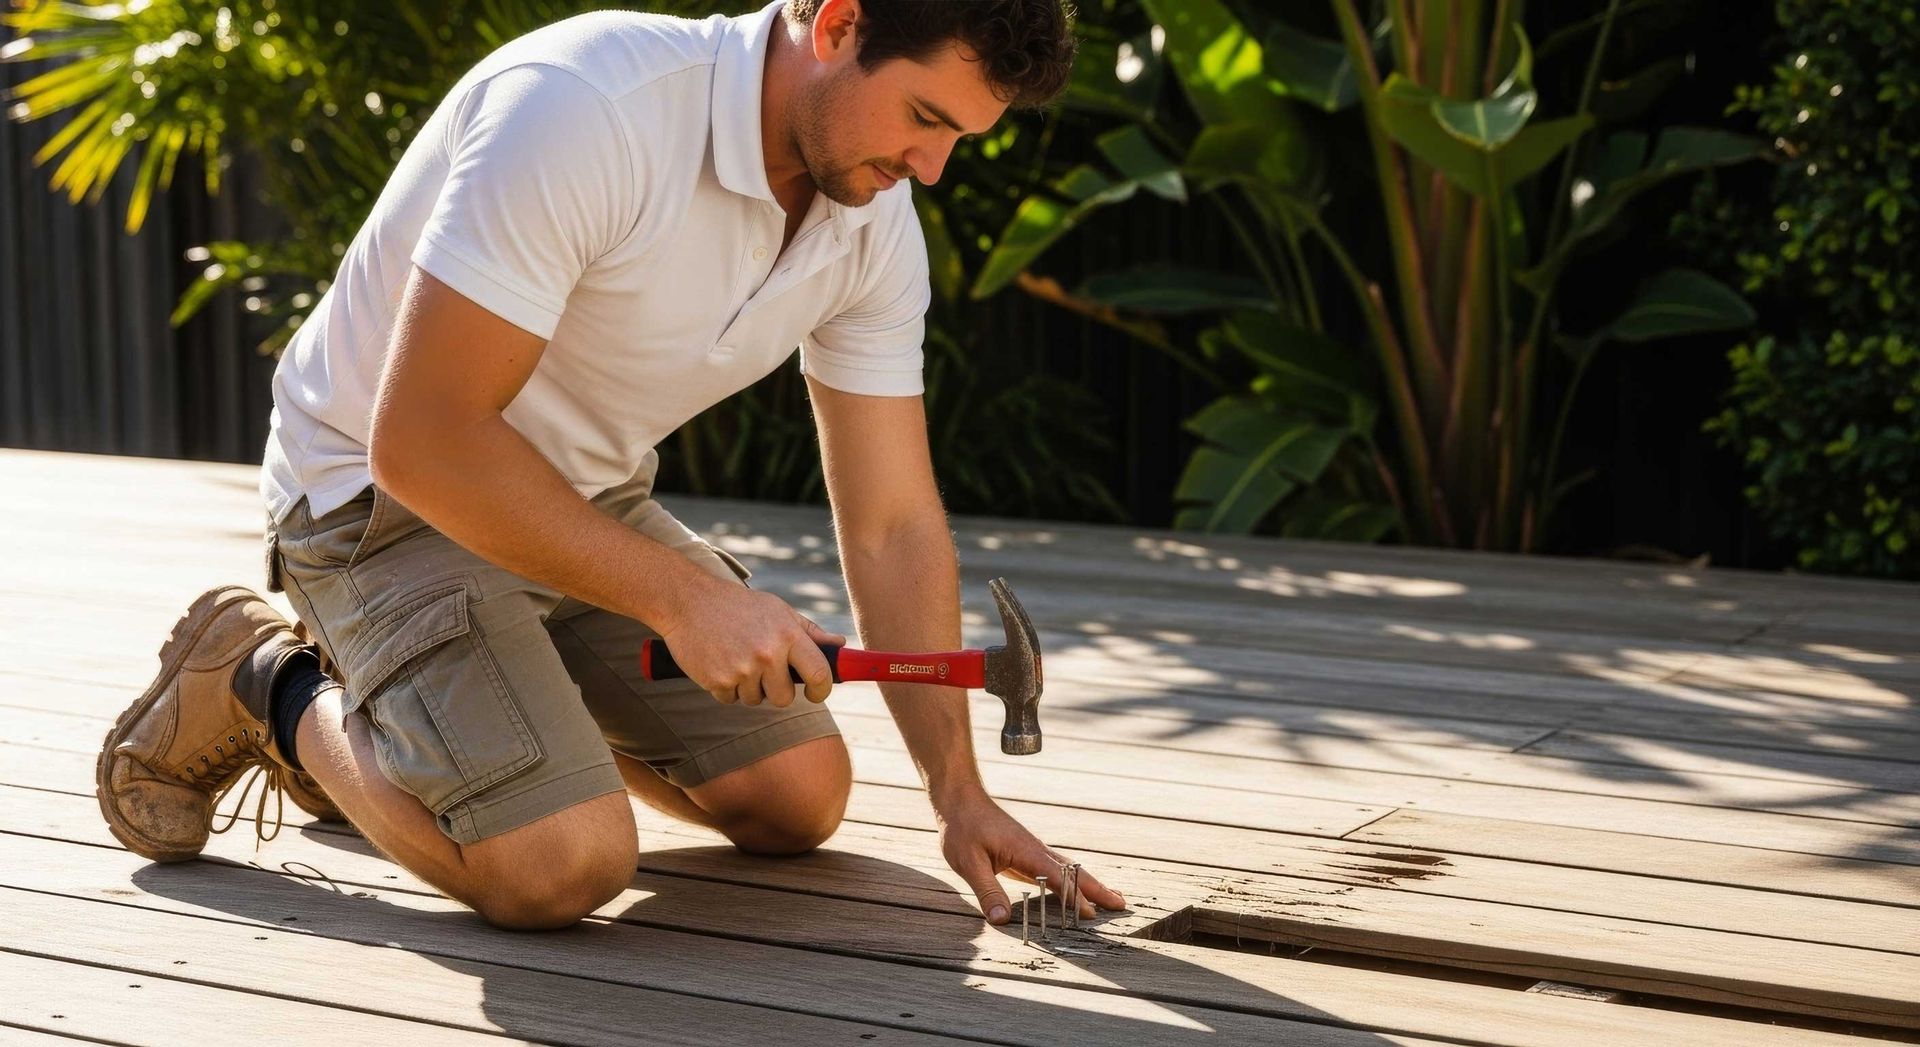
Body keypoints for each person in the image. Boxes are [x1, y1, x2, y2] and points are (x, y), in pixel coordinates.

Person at [96, 0, 1125, 931]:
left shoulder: (867, 218)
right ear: (839, 26)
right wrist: (684, 601)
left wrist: (960, 796)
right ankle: (259, 677)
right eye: (926, 119)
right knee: (558, 862)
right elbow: (423, 440)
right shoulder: (587, 108)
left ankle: (443, 738)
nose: (931, 166)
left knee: (798, 795)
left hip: (582, 499)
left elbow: (891, 520)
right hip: (377, 498)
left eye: (958, 137)